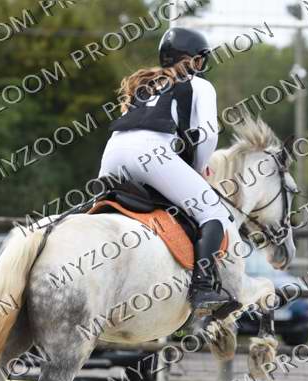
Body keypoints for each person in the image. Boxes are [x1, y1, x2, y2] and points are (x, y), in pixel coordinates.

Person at [99, 27, 232, 312]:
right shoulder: (200, 85)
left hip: (112, 153)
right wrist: (197, 170)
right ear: (190, 59)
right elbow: (208, 134)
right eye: (199, 59)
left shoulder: (144, 84)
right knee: (214, 211)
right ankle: (202, 287)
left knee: (100, 210)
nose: (201, 64)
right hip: (151, 154)